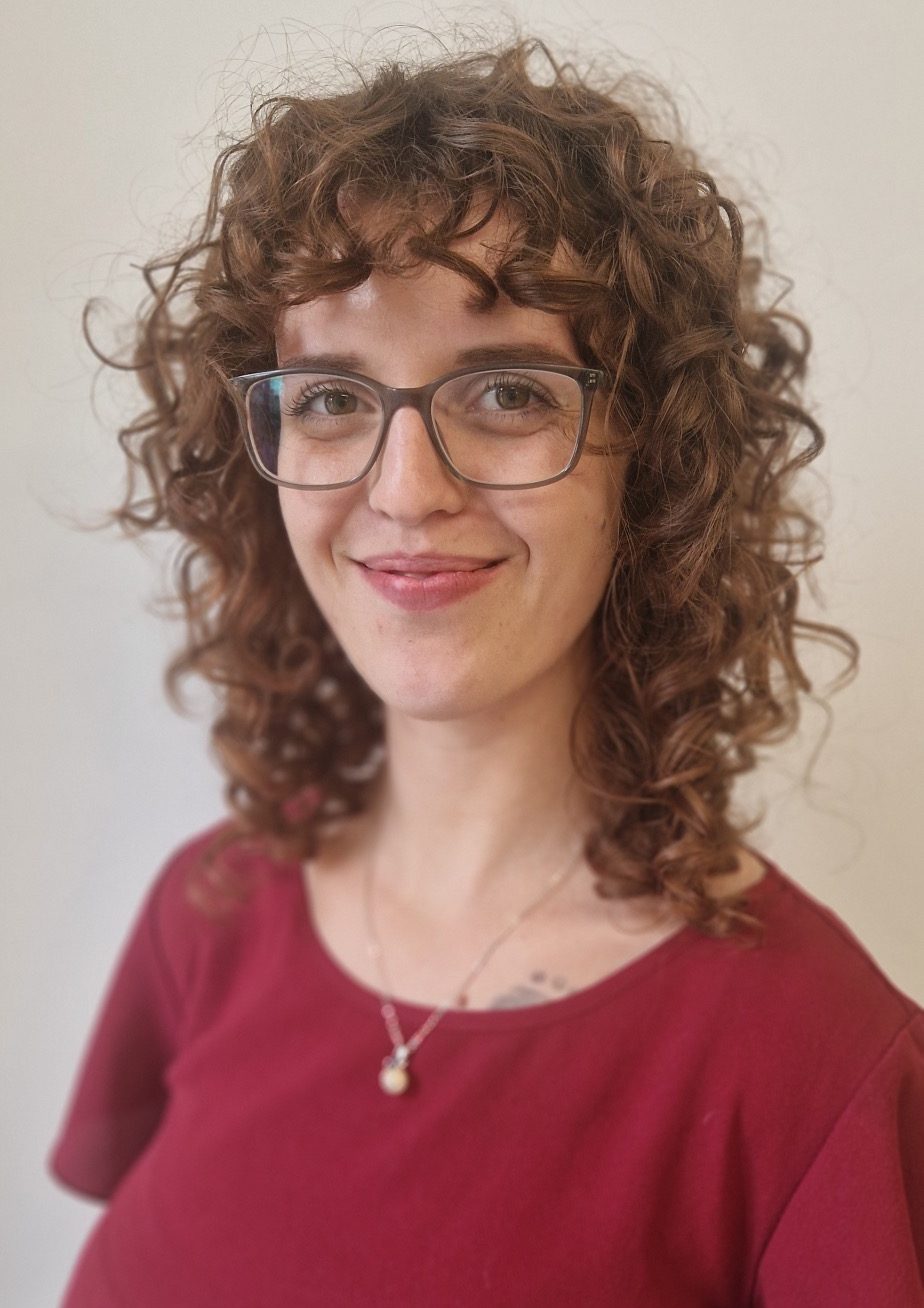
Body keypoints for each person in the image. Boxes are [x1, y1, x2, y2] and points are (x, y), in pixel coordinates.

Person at [47, 32, 923, 1307]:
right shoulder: (209, 913)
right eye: (331, 397)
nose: (407, 492)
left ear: (653, 459)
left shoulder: (814, 1063)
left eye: (508, 392)